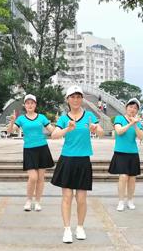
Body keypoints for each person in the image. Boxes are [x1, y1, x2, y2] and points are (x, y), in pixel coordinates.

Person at [50, 85, 104, 244]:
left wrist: (95, 128)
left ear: (82, 99)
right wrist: (67, 128)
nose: (75, 99)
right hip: (67, 159)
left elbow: (101, 132)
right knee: (67, 197)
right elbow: (54, 135)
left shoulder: (89, 116)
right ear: (67, 100)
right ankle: (67, 229)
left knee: (81, 198)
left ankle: (80, 227)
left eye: (78, 96)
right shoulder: (64, 118)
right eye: (72, 97)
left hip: (83, 160)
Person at [7, 94, 55, 212]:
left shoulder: (41, 117)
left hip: (42, 148)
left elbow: (52, 131)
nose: (30, 105)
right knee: (33, 177)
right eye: (28, 103)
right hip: (29, 149)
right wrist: (12, 122)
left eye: (32, 103)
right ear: (25, 105)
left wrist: (63, 128)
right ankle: (29, 200)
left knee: (41, 178)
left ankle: (37, 201)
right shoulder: (21, 119)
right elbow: (9, 131)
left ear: (35, 105)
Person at [108, 98, 143, 211]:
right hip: (120, 152)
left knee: (132, 178)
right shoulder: (119, 118)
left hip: (133, 153)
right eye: (130, 106)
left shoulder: (138, 123)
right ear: (126, 107)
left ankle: (130, 200)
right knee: (123, 176)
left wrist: (135, 125)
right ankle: (121, 201)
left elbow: (141, 137)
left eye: (135, 108)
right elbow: (119, 131)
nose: (132, 109)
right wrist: (130, 123)